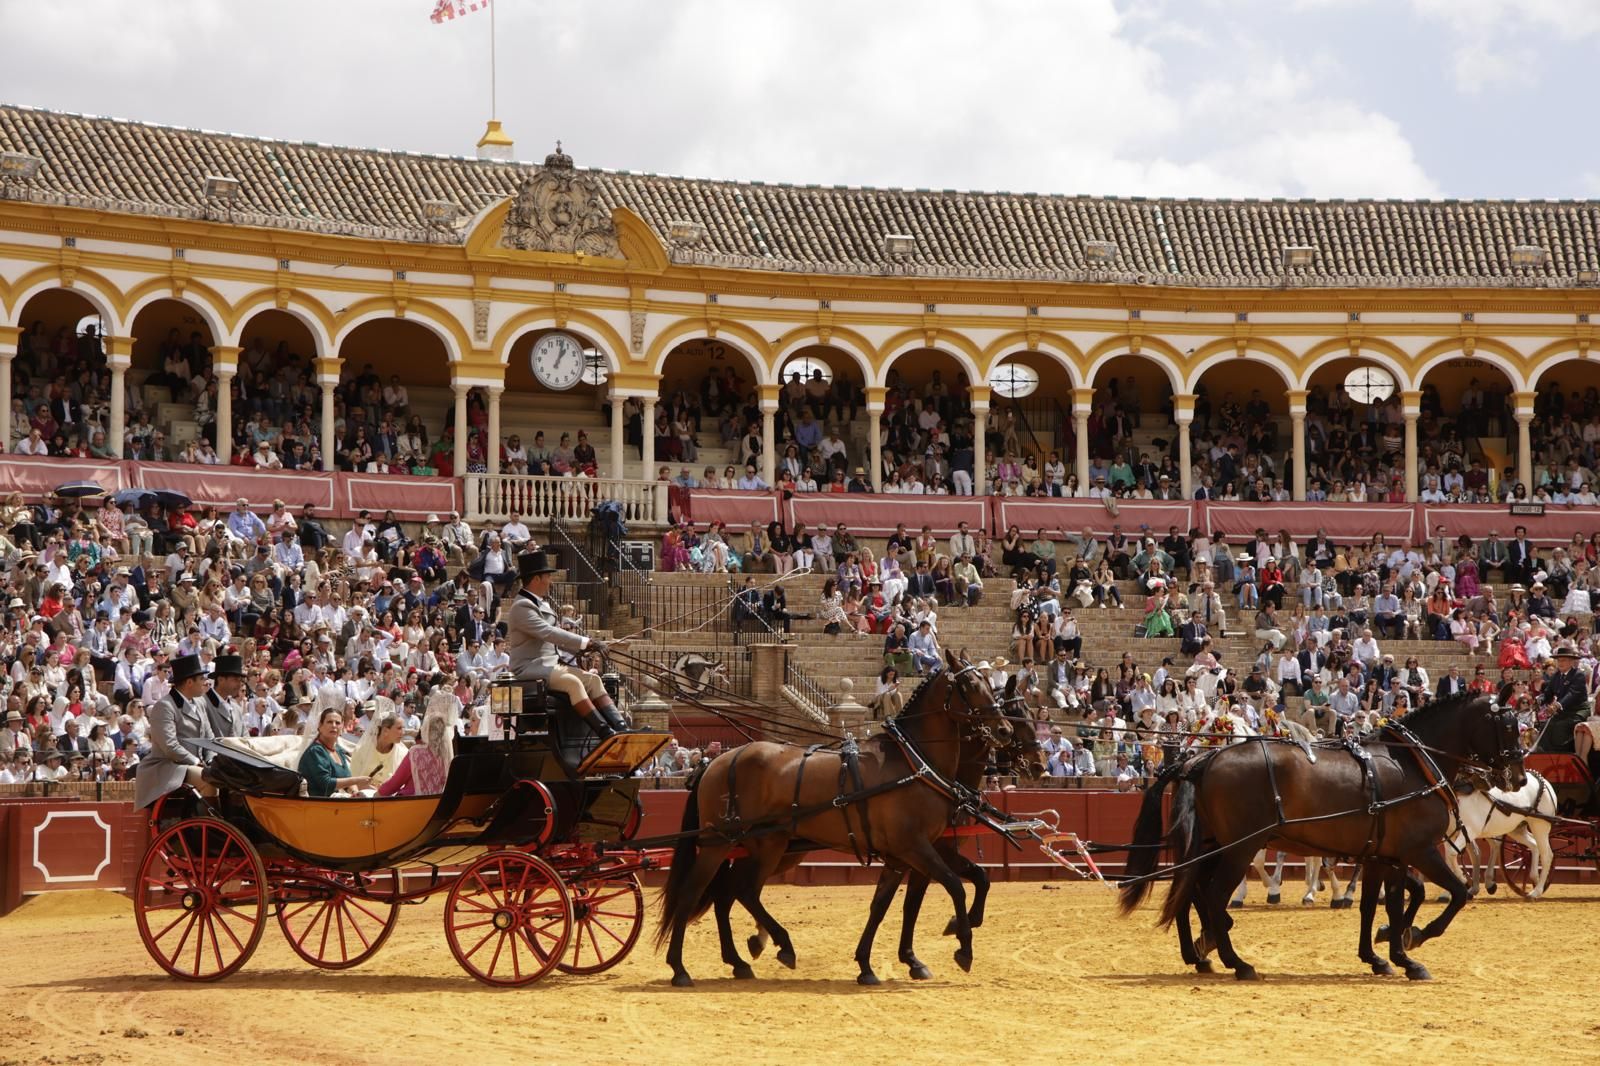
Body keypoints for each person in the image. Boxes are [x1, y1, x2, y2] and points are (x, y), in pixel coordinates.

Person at [505, 550, 627, 739]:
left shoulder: (539, 604)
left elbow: (554, 641)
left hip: (549, 666)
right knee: (573, 682)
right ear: (537, 578)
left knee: (594, 680)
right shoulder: (522, 607)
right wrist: (587, 642)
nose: (550, 581)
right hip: (529, 668)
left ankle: (621, 728)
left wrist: (586, 648)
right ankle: (604, 732)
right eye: (547, 577)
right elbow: (549, 633)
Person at [132, 653, 216, 809]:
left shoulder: (200, 703)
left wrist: (211, 761)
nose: (205, 682)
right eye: (201, 679)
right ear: (189, 682)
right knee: (208, 780)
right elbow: (170, 746)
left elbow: (209, 739)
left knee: (224, 779)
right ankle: (209, 825)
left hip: (193, 766)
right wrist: (197, 763)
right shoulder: (165, 706)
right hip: (168, 768)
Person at [379, 697, 456, 796]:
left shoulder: (416, 752)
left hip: (411, 802)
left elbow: (395, 783)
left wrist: (377, 793)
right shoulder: (448, 754)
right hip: (437, 802)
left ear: (426, 729)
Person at [298, 706, 371, 797]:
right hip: (317, 804)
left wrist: (355, 792)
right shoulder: (315, 751)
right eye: (329, 722)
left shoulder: (338, 750)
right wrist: (357, 780)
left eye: (337, 723)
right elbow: (326, 784)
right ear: (320, 726)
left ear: (342, 727)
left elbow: (347, 777)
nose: (334, 726)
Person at [1536, 645, 1590, 753]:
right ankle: (1546, 755)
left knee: (1560, 727)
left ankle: (1563, 754)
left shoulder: (1578, 675)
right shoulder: (1556, 676)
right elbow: (1548, 693)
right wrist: (1540, 700)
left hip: (1577, 711)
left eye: (1563, 660)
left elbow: (1572, 694)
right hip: (1563, 712)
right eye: (1558, 660)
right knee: (1545, 726)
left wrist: (1557, 705)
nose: (1560, 663)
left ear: (1571, 662)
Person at [204, 653, 246, 738]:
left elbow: (245, 737)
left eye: (240, 680)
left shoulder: (237, 709)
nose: (239, 684)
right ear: (220, 679)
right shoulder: (203, 704)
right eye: (235, 680)